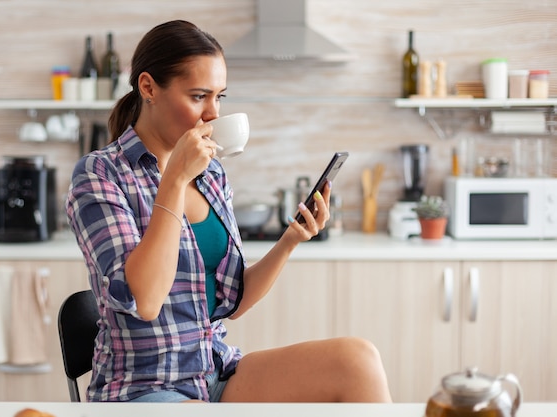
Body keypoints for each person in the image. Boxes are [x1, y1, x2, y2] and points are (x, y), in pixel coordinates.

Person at [66, 19, 392, 403]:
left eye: (219, 97)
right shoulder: (100, 175)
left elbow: (232, 303)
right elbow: (146, 300)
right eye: (198, 96)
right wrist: (172, 180)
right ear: (148, 87)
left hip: (215, 372)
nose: (212, 114)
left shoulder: (211, 174)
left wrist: (290, 240)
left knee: (357, 361)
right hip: (143, 387)